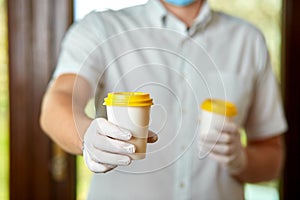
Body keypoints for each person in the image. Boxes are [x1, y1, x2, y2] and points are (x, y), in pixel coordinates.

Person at [40, 0, 287, 199]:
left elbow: (273, 157)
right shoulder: (101, 27)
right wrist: (87, 138)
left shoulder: (248, 41)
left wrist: (241, 160)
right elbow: (58, 101)